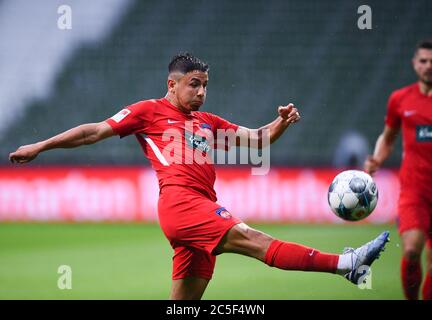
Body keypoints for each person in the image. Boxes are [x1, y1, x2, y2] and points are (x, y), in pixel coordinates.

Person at [10, 52, 389, 300]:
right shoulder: (148, 111)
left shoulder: (207, 122)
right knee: (255, 240)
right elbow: (94, 131)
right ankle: (345, 264)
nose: (202, 92)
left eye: (205, 85)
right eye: (194, 84)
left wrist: (281, 122)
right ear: (171, 85)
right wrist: (40, 146)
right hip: (180, 203)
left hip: (202, 205)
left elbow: (259, 140)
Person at [364, 40, 432, 300]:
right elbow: (388, 137)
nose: (428, 66)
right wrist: (378, 159)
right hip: (415, 191)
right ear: (415, 64)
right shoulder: (400, 99)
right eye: (423, 61)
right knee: (412, 250)